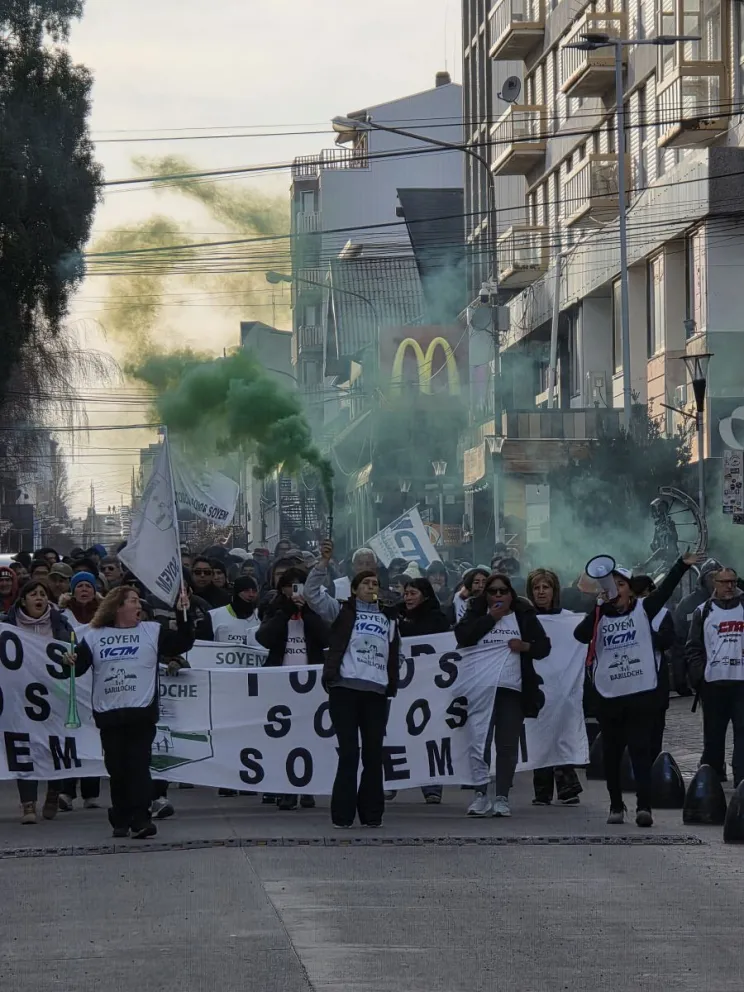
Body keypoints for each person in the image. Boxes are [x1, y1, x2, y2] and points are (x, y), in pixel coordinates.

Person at [574, 552, 701, 827]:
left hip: (640, 693)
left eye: (621, 585)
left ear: (631, 589)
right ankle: (616, 805)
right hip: (609, 695)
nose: (615, 590)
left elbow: (665, 590)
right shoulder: (600, 615)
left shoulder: (645, 609)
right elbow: (580, 635)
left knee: (641, 750)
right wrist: (598, 608)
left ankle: (644, 806)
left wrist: (681, 565)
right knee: (611, 752)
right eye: (611, 585)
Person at [64, 585, 195, 839]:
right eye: (133, 601)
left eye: (138, 601)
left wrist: (182, 614)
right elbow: (76, 668)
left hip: (141, 712)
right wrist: (66, 661)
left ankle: (140, 817)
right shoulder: (94, 636)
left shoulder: (151, 631)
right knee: (117, 768)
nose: (139, 606)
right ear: (118, 606)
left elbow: (183, 642)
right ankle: (120, 816)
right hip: (109, 713)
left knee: (138, 766)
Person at [305, 541, 400, 829]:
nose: (372, 586)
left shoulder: (389, 617)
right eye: (365, 583)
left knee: (373, 754)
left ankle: (372, 814)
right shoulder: (342, 611)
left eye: (375, 583)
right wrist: (322, 564)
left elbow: (395, 650)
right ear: (355, 589)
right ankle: (343, 815)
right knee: (349, 753)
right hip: (345, 690)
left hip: (375, 693)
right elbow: (311, 595)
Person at [455, 573, 549, 817]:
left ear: (511, 594)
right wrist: (490, 619)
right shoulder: (477, 614)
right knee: (479, 743)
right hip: (480, 690)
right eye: (493, 591)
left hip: (512, 690)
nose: (498, 595)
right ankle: (480, 794)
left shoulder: (523, 616)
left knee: (506, 745)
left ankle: (502, 796)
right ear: (485, 595)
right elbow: (463, 638)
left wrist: (525, 646)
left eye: (502, 591)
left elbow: (543, 646)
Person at [1, 580, 75, 824]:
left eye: (43, 594)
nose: (39, 598)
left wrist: (71, 657)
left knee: (53, 746)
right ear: (23, 600)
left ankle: (53, 792)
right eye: (33, 594)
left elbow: (74, 651)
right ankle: (28, 805)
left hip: (52, 697)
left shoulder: (61, 625)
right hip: (18, 699)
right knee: (23, 748)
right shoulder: (7, 625)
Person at [255, 566, 328, 810]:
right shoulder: (275, 608)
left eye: (299, 586)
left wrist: (306, 611)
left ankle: (308, 788)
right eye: (290, 586)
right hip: (280, 681)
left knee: (310, 736)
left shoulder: (316, 609)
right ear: (282, 588)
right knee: (282, 737)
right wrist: (287, 611)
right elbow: (263, 638)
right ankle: (285, 789)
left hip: (310, 682)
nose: (294, 591)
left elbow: (327, 637)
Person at [525, 568, 583, 807]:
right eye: (536, 588)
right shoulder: (523, 619)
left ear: (554, 591)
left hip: (562, 685)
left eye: (545, 587)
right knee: (539, 736)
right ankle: (542, 790)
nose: (541, 592)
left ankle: (567, 786)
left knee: (562, 734)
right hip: (535, 685)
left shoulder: (568, 619)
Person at [686, 566, 744, 787]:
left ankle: (741, 780)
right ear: (714, 584)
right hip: (714, 684)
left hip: (741, 682)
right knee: (713, 737)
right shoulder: (704, 611)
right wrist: (699, 676)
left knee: (742, 732)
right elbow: (693, 647)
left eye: (733, 581)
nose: (730, 586)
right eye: (724, 582)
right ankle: (711, 780)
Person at [397, 577, 451, 805]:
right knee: (398, 732)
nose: (408, 598)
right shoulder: (395, 616)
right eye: (406, 593)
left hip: (429, 686)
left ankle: (432, 785)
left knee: (430, 735)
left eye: (413, 593)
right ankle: (393, 781)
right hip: (402, 686)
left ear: (425, 595)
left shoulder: (437, 618)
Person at [630, 574, 674, 760]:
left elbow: (667, 641)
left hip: (656, 682)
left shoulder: (663, 614)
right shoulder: (624, 614)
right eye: (636, 596)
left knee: (655, 731)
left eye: (644, 595)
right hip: (631, 681)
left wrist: (645, 634)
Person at [670, 558, 721, 696]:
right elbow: (679, 644)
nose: (714, 581)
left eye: (718, 576)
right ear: (703, 579)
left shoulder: (734, 603)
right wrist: (680, 680)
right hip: (701, 674)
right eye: (711, 577)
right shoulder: (687, 605)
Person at [206, 575, 261, 645]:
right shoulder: (213, 616)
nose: (251, 594)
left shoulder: (262, 617)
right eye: (246, 591)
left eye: (254, 591)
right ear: (237, 592)